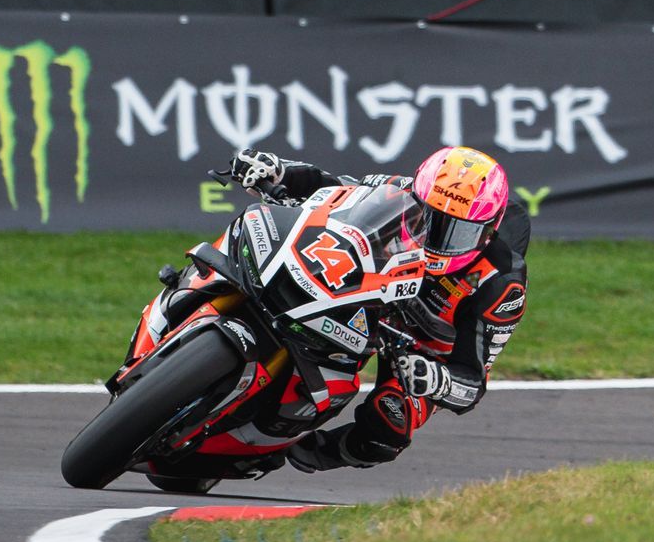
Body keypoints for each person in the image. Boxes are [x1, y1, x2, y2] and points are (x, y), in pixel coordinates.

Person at [220, 144, 526, 479]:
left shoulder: (501, 284)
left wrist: (436, 379)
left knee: (388, 426)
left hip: (418, 351)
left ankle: (289, 450)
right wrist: (279, 171)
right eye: (429, 219)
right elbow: (334, 188)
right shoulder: (397, 191)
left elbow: (472, 383)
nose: (437, 240)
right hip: (369, 299)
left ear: (488, 231)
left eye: (457, 232)